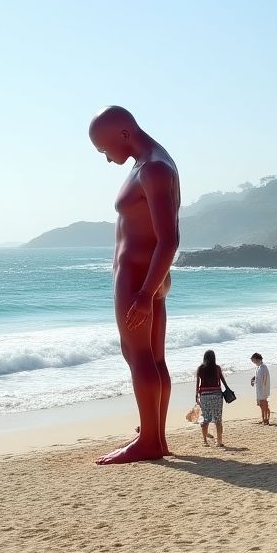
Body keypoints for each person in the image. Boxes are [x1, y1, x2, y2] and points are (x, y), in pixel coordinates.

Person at [89, 106, 180, 465]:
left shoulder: (152, 168)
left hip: (139, 277)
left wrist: (143, 293)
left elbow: (169, 239)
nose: (106, 158)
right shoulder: (156, 161)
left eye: (104, 148)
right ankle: (155, 436)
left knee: (137, 355)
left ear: (124, 134)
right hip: (151, 275)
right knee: (153, 358)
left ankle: (149, 442)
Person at [196, 349, 228, 447]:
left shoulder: (200, 368)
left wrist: (196, 396)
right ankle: (219, 442)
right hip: (217, 395)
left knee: (206, 419)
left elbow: (198, 383)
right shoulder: (217, 368)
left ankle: (205, 441)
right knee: (218, 419)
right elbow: (222, 380)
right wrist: (227, 390)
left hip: (204, 396)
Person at [250, 352, 271, 425]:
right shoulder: (259, 367)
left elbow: (265, 379)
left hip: (263, 390)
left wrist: (264, 389)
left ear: (257, 359)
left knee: (264, 405)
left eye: (253, 360)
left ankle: (266, 419)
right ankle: (263, 419)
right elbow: (258, 376)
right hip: (259, 389)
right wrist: (253, 379)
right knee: (261, 405)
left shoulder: (263, 368)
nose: (253, 362)